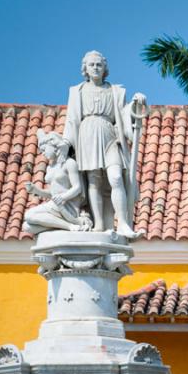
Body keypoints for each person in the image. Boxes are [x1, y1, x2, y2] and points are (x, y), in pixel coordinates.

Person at [63, 50, 146, 238]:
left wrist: (135, 104)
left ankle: (123, 223)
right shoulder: (77, 91)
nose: (95, 68)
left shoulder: (115, 91)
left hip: (110, 135)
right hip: (87, 135)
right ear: (85, 68)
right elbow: (71, 121)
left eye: (99, 65)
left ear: (104, 68)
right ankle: (99, 224)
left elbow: (125, 115)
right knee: (93, 180)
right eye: (91, 65)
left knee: (116, 177)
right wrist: (66, 144)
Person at [23, 130, 92, 234]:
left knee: (29, 215)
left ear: (54, 146)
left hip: (67, 206)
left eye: (44, 149)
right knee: (27, 227)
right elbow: (53, 193)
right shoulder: (50, 167)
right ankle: (64, 226)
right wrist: (36, 190)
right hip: (55, 205)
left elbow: (77, 187)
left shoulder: (69, 163)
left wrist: (62, 197)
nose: (43, 153)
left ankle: (69, 226)